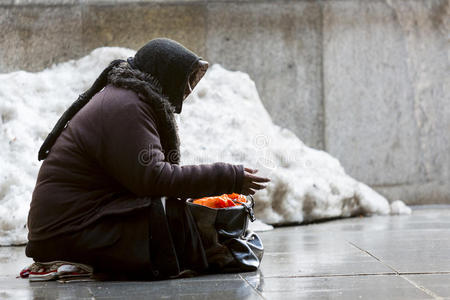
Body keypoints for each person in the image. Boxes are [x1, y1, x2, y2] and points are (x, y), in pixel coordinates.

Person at [26, 38, 270, 279]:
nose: (187, 90)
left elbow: (147, 176)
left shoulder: (128, 99)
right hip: (66, 232)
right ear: (165, 74)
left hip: (74, 223)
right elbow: (154, 177)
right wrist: (228, 176)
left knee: (175, 216)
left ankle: (215, 252)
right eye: (184, 81)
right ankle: (219, 253)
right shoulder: (126, 107)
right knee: (170, 217)